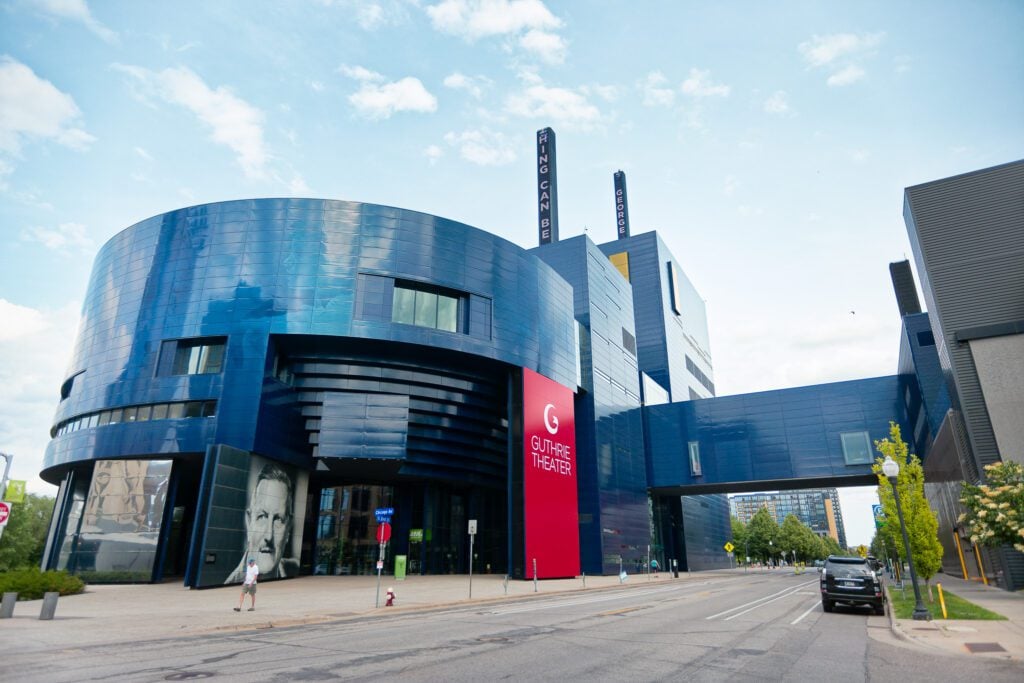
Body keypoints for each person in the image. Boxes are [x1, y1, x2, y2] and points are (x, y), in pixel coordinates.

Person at [225, 462, 298, 583]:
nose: (269, 535)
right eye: (262, 516)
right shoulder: (230, 583)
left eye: (278, 519)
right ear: (249, 523)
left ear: (288, 529)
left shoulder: (292, 567)